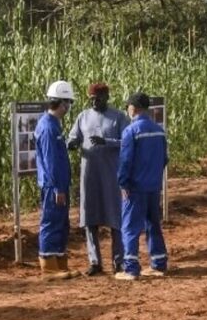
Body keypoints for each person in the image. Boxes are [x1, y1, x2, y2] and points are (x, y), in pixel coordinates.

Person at [67, 83, 131, 276]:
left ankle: (118, 261)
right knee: (90, 218)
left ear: (107, 97)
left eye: (98, 98)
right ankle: (95, 262)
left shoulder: (119, 117)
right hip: (90, 175)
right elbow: (73, 136)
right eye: (92, 99)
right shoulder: (83, 117)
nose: (95, 102)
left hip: (111, 176)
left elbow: (128, 142)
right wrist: (73, 142)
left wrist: (107, 142)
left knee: (115, 219)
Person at [116, 92, 169, 280]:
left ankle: (130, 268)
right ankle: (159, 263)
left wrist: (123, 183)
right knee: (153, 225)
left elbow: (125, 161)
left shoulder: (131, 132)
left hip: (135, 188)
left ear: (133, 108)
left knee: (130, 228)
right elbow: (164, 159)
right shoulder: (158, 130)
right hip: (153, 187)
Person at [35, 80, 75, 278]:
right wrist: (58, 187)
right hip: (53, 186)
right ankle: (49, 267)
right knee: (51, 221)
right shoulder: (49, 128)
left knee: (61, 222)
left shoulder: (53, 125)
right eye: (68, 103)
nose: (68, 108)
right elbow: (51, 161)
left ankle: (59, 262)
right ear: (62, 103)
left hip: (59, 184)